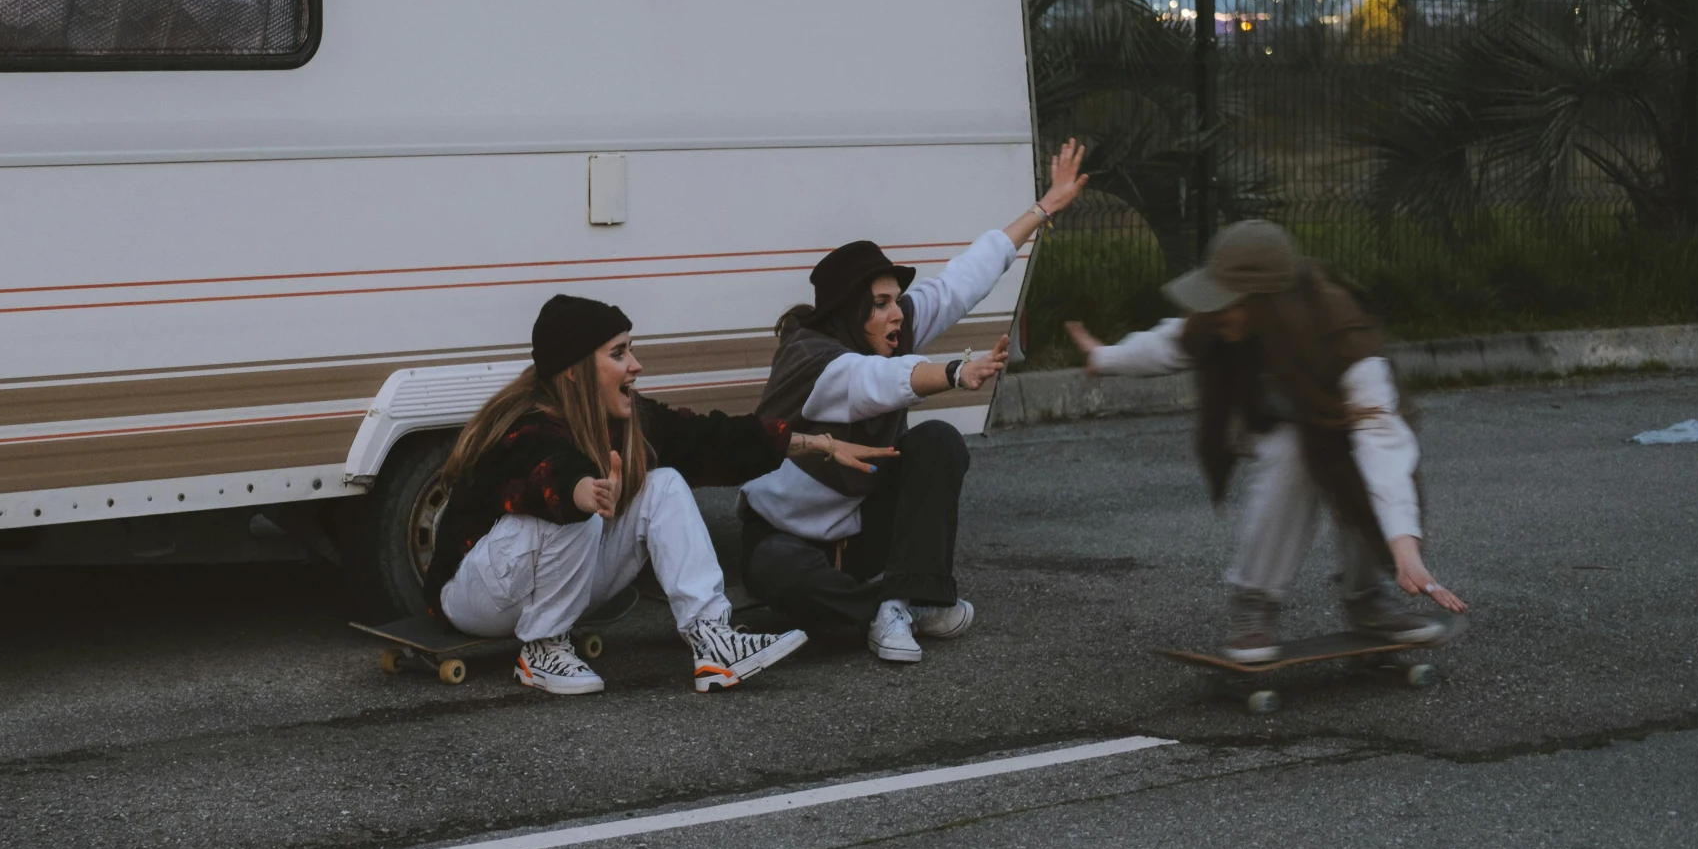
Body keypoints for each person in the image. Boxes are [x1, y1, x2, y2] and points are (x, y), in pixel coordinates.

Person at [738, 141, 1089, 662]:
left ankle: (897, 603)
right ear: (848, 312)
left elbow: (963, 280)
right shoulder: (812, 358)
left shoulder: (893, 326)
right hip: (784, 537)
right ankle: (894, 605)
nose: (896, 314)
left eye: (893, 300)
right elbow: (873, 382)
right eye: (879, 304)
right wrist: (953, 371)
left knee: (939, 443)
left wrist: (1043, 209)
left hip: (860, 532)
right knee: (781, 575)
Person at [1064, 219, 1468, 662]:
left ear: (1263, 299)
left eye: (1226, 303)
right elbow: (1173, 343)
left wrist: (1404, 547)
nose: (1215, 314)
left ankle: (1368, 599)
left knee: (1361, 477)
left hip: (1352, 427)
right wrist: (1103, 357)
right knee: (1288, 453)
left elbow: (1381, 440)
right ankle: (1254, 605)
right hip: (1292, 426)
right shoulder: (1223, 320)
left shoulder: (1340, 331)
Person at [428, 294, 873, 695]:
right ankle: (542, 650)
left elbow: (712, 438)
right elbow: (547, 471)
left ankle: (712, 640)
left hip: (552, 580)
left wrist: (819, 445)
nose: (635, 365)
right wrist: (586, 492)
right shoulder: (523, 424)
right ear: (574, 370)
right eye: (619, 353)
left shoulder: (628, 421)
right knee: (571, 512)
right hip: (476, 595)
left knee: (665, 484)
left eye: (630, 350)